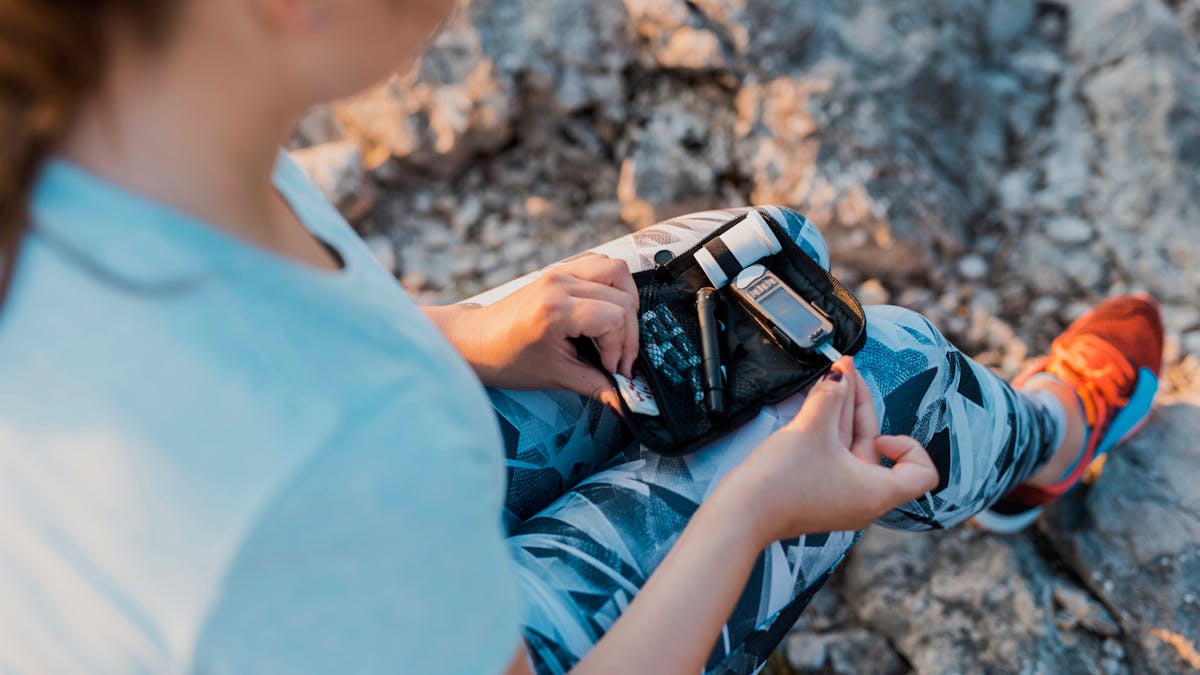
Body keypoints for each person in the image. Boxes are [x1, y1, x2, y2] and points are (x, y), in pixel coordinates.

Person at [0, 1, 1162, 674]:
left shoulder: (102, 126)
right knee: (885, 369)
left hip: (347, 559)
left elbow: (276, 323)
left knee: (733, 259)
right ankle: (1039, 445)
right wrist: (757, 512)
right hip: (410, 608)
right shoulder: (321, 464)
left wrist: (464, 333)